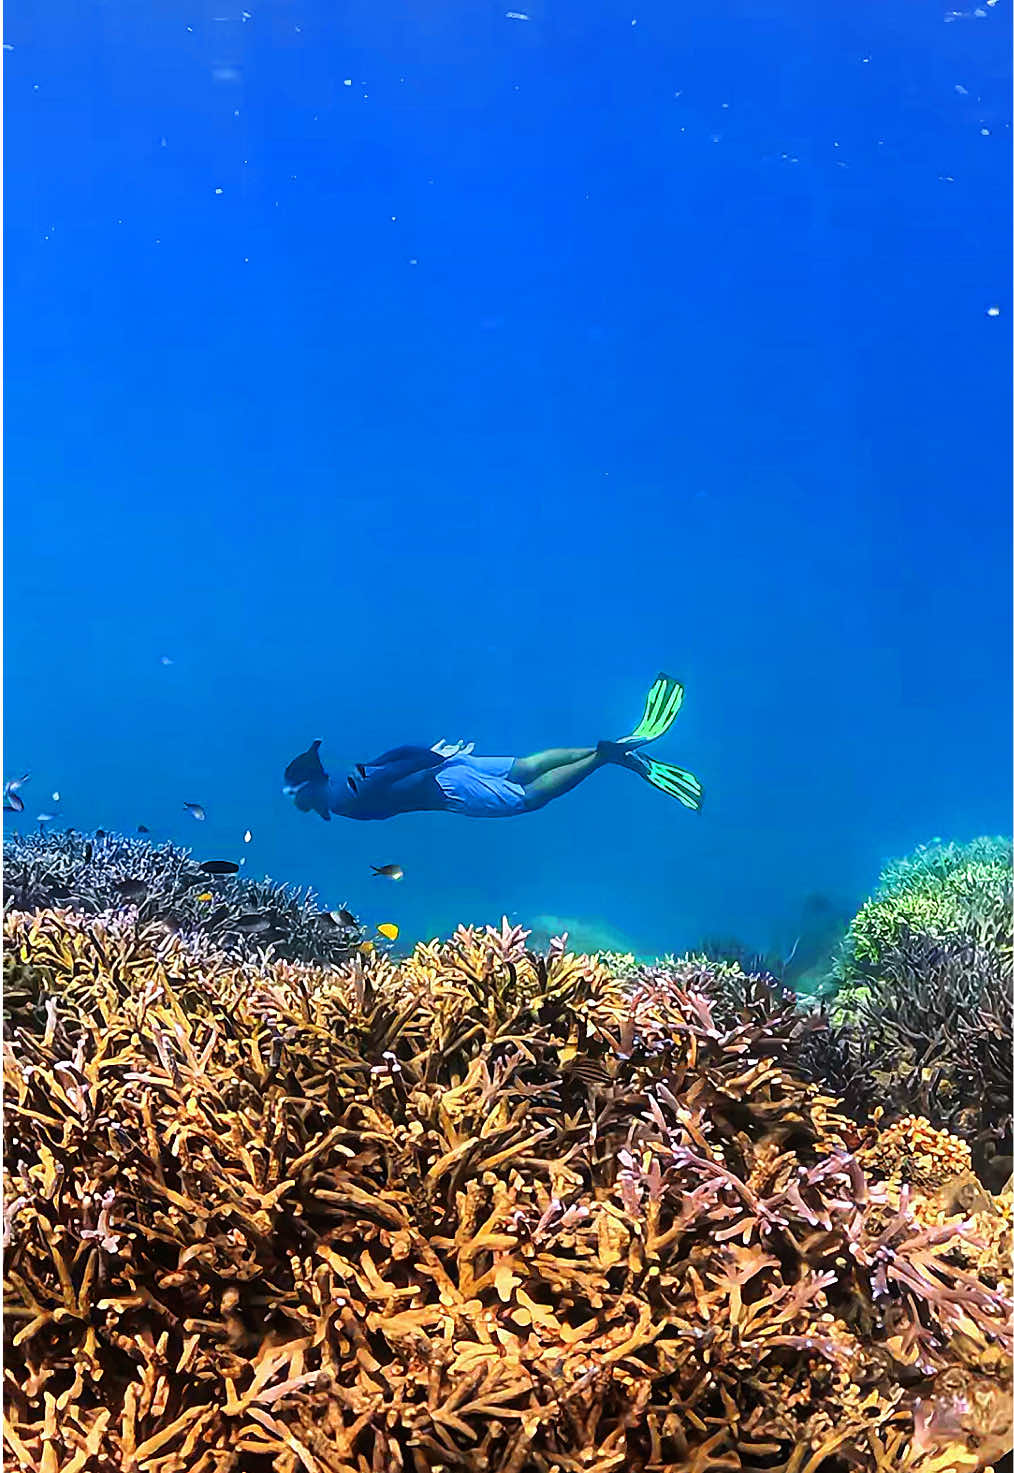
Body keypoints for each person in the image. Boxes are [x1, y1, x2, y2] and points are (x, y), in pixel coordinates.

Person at [283, 673, 702, 823]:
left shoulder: (339, 798)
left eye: (295, 796)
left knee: (528, 798)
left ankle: (603, 756)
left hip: (447, 787)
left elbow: (390, 782)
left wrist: (433, 763)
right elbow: (391, 758)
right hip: (446, 764)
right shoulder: (339, 780)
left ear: (309, 787)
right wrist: (434, 754)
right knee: (525, 765)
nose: (298, 804)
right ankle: (616, 752)